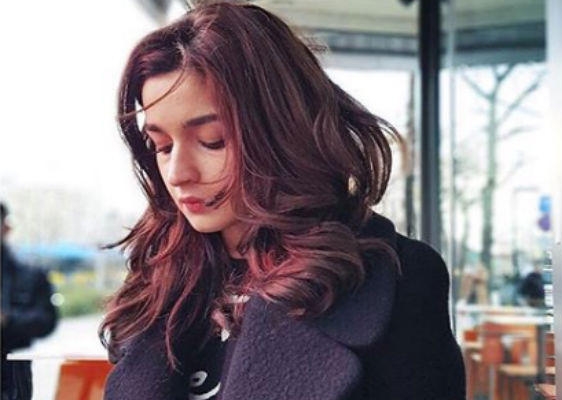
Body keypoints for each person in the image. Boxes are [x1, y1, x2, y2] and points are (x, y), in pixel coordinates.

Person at [100, 2, 465, 399]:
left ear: (282, 130)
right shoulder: (160, 281)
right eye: (162, 146)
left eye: (212, 141)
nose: (177, 173)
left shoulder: (398, 279)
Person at [1, 203, 58, 400]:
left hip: (11, 383)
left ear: (6, 228)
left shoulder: (31, 275)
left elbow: (46, 320)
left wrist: (8, 320)